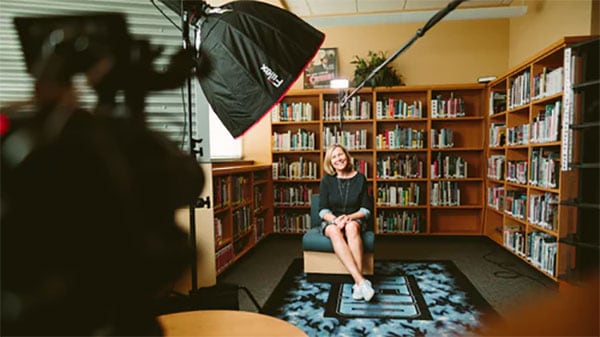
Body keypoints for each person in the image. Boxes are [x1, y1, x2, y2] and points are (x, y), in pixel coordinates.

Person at [318, 144, 375, 301]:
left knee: (351, 227)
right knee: (335, 231)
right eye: (334, 157)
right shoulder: (326, 181)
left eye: (340, 155)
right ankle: (361, 281)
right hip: (332, 220)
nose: (338, 159)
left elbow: (366, 209)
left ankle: (358, 285)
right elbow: (322, 210)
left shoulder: (360, 178)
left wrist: (349, 217)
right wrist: (336, 220)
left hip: (354, 218)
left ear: (347, 156)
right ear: (330, 162)